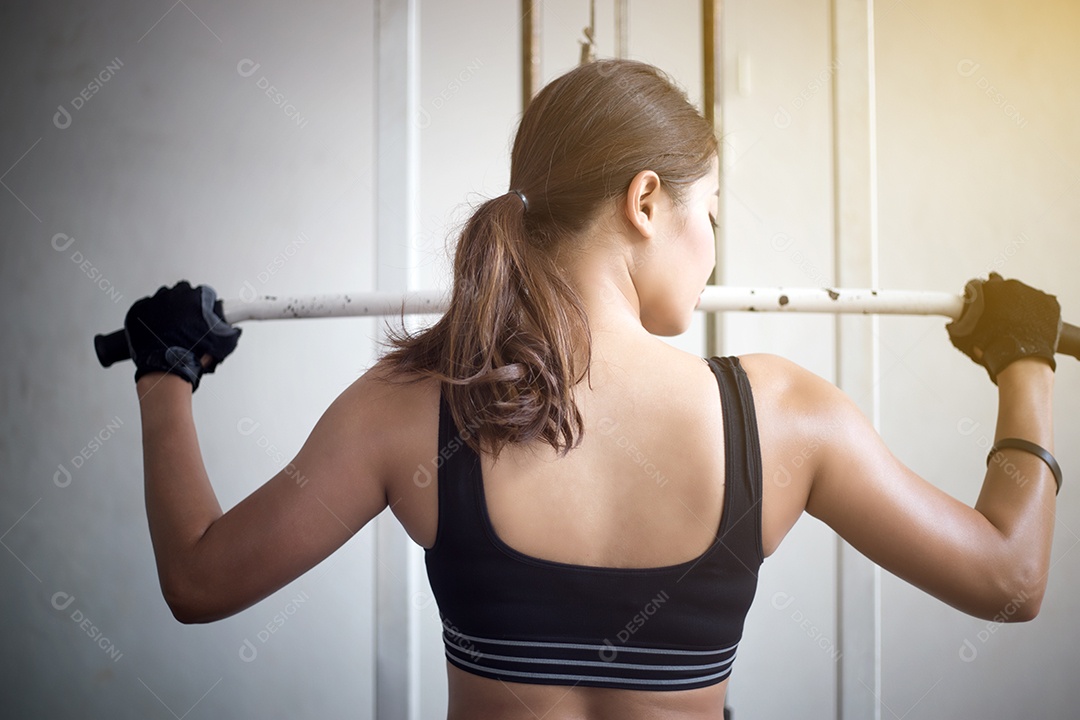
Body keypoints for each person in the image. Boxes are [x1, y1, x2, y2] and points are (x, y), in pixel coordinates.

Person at [125, 60, 1061, 720]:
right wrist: (1025, 362)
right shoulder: (781, 419)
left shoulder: (413, 406)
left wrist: (167, 370)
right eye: (712, 214)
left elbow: (200, 580)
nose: (714, 249)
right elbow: (1009, 580)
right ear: (647, 201)